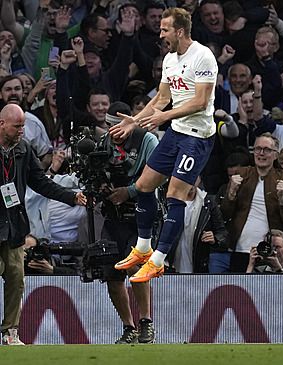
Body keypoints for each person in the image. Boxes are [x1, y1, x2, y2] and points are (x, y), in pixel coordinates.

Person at [110, 7, 218, 283]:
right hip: (175, 132)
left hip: (197, 136)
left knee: (174, 194)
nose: (160, 34)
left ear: (179, 31)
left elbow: (201, 102)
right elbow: (160, 99)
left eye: (165, 29)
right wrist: (134, 121)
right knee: (145, 185)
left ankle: (158, 260)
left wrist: (164, 117)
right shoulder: (170, 59)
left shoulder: (203, 56)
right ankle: (143, 248)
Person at [0, 104, 86, 345]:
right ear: (2, 124)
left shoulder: (23, 149)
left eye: (23, 126)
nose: (21, 131)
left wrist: (71, 197)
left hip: (14, 227)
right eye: (17, 126)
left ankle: (10, 332)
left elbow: (41, 183)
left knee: (16, 279)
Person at [99, 102, 159, 344]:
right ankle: (128, 327)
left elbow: (158, 176)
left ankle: (146, 322)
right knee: (112, 272)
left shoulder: (148, 141)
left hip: (142, 211)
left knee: (136, 267)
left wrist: (130, 191)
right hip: (113, 214)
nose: (114, 134)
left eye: (118, 128)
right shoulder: (103, 143)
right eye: (110, 128)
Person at [220, 133, 283, 272]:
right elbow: (225, 214)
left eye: (267, 150)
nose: (261, 153)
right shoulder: (242, 174)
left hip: (269, 252)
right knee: (238, 292)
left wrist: (282, 199)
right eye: (258, 149)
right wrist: (231, 193)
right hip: (239, 248)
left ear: (276, 155)